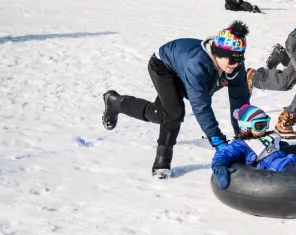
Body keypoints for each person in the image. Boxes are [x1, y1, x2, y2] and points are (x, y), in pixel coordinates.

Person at [101, 21, 251, 178]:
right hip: (163, 66)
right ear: (217, 54)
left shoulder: (233, 64)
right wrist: (217, 140)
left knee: (159, 114)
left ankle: (115, 103)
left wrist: (243, 136)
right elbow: (200, 106)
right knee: (174, 113)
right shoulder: (197, 65)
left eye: (239, 60)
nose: (236, 65)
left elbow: (239, 101)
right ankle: (162, 162)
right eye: (232, 61)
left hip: (184, 69)